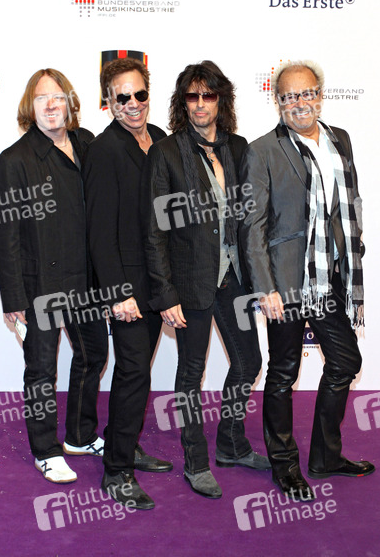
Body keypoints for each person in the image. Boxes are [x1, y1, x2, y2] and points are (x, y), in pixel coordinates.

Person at [239, 60, 375, 501]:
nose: (300, 103)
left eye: (307, 93)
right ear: (277, 101)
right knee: (283, 372)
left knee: (345, 362)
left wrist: (352, 253)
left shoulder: (340, 139)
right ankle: (284, 465)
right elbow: (252, 226)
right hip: (285, 281)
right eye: (289, 96)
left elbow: (348, 204)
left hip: (329, 277)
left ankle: (325, 456)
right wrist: (265, 287)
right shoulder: (262, 150)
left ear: (320, 94)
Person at [142, 60, 270, 499]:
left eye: (208, 95)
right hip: (189, 282)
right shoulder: (166, 152)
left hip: (233, 279)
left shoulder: (237, 147)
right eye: (192, 96)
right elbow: (155, 230)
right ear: (183, 102)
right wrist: (165, 293)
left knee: (249, 361)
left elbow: (251, 216)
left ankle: (231, 444)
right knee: (190, 374)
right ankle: (196, 462)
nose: (200, 104)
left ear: (221, 100)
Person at [0, 69, 108, 483]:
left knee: (94, 355)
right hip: (39, 283)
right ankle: (45, 449)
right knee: (41, 371)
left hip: (87, 279)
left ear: (70, 102)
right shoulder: (12, 161)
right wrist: (13, 299)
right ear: (30, 106)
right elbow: (5, 236)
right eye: (42, 98)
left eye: (58, 96)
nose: (51, 104)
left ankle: (79, 435)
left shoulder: (87, 143)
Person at [82, 57, 172, 511]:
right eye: (122, 97)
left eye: (140, 94)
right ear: (108, 101)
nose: (133, 104)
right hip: (128, 289)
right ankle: (116, 471)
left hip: (159, 281)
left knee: (138, 371)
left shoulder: (159, 137)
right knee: (134, 370)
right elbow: (99, 232)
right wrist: (117, 293)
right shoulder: (104, 150)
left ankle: (126, 444)